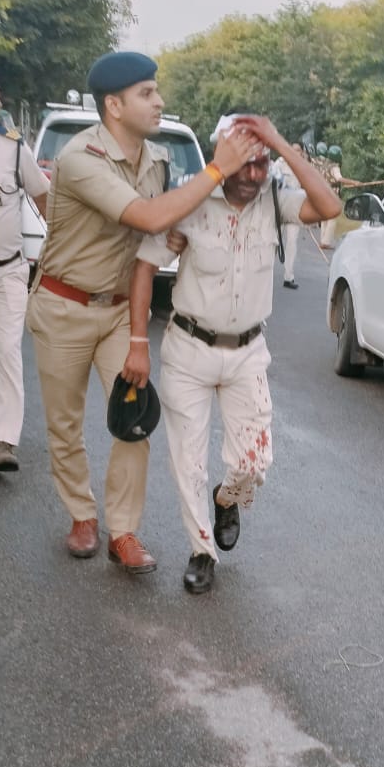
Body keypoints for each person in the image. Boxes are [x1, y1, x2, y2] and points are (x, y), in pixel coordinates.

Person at [25, 51, 258, 573]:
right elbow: (147, 215)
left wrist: (173, 236)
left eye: (156, 91)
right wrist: (217, 167)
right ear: (114, 105)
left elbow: (156, 228)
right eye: (147, 93)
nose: (159, 101)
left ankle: (123, 530)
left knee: (134, 418)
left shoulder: (155, 158)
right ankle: (82, 514)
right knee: (64, 422)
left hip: (116, 309)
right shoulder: (80, 158)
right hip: (64, 303)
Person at [127, 112, 342, 594]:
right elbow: (144, 268)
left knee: (253, 462)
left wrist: (279, 144)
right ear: (221, 157)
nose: (252, 174)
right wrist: (138, 342)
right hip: (189, 349)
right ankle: (202, 550)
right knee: (188, 462)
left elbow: (329, 206)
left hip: (247, 351)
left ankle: (226, 499)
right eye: (243, 162)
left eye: (260, 163)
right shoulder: (190, 202)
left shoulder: (274, 201)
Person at [0, 66, 49, 473]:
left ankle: (1, 441)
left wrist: (64, 247)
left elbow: (44, 198)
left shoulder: (12, 149)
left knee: (7, 352)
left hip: (8, 270)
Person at [273, 143, 304, 289]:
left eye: (298, 150)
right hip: (279, 206)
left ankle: (288, 277)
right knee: (274, 240)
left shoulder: (303, 166)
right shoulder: (280, 163)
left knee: (292, 242)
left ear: (302, 153)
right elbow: (273, 180)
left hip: (294, 208)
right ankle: (266, 272)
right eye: (293, 149)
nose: (295, 152)